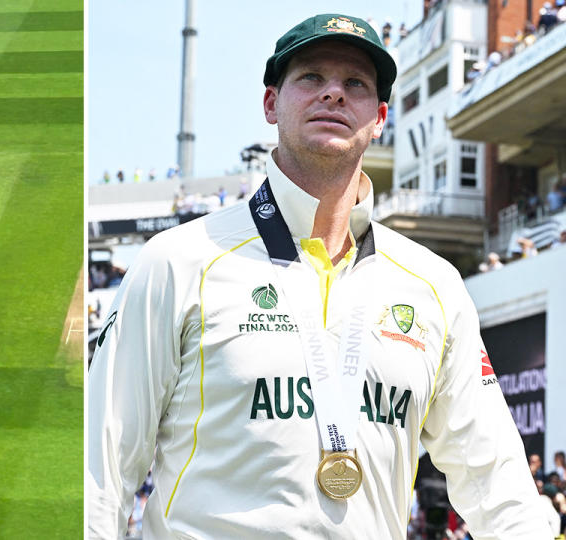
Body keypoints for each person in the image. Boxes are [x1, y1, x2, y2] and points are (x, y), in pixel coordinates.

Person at [88, 13, 548, 539]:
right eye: (311, 77)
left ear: (378, 118)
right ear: (270, 104)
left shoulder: (434, 285)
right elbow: (101, 470)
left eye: (355, 83)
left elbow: (498, 483)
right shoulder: (178, 260)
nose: (333, 93)